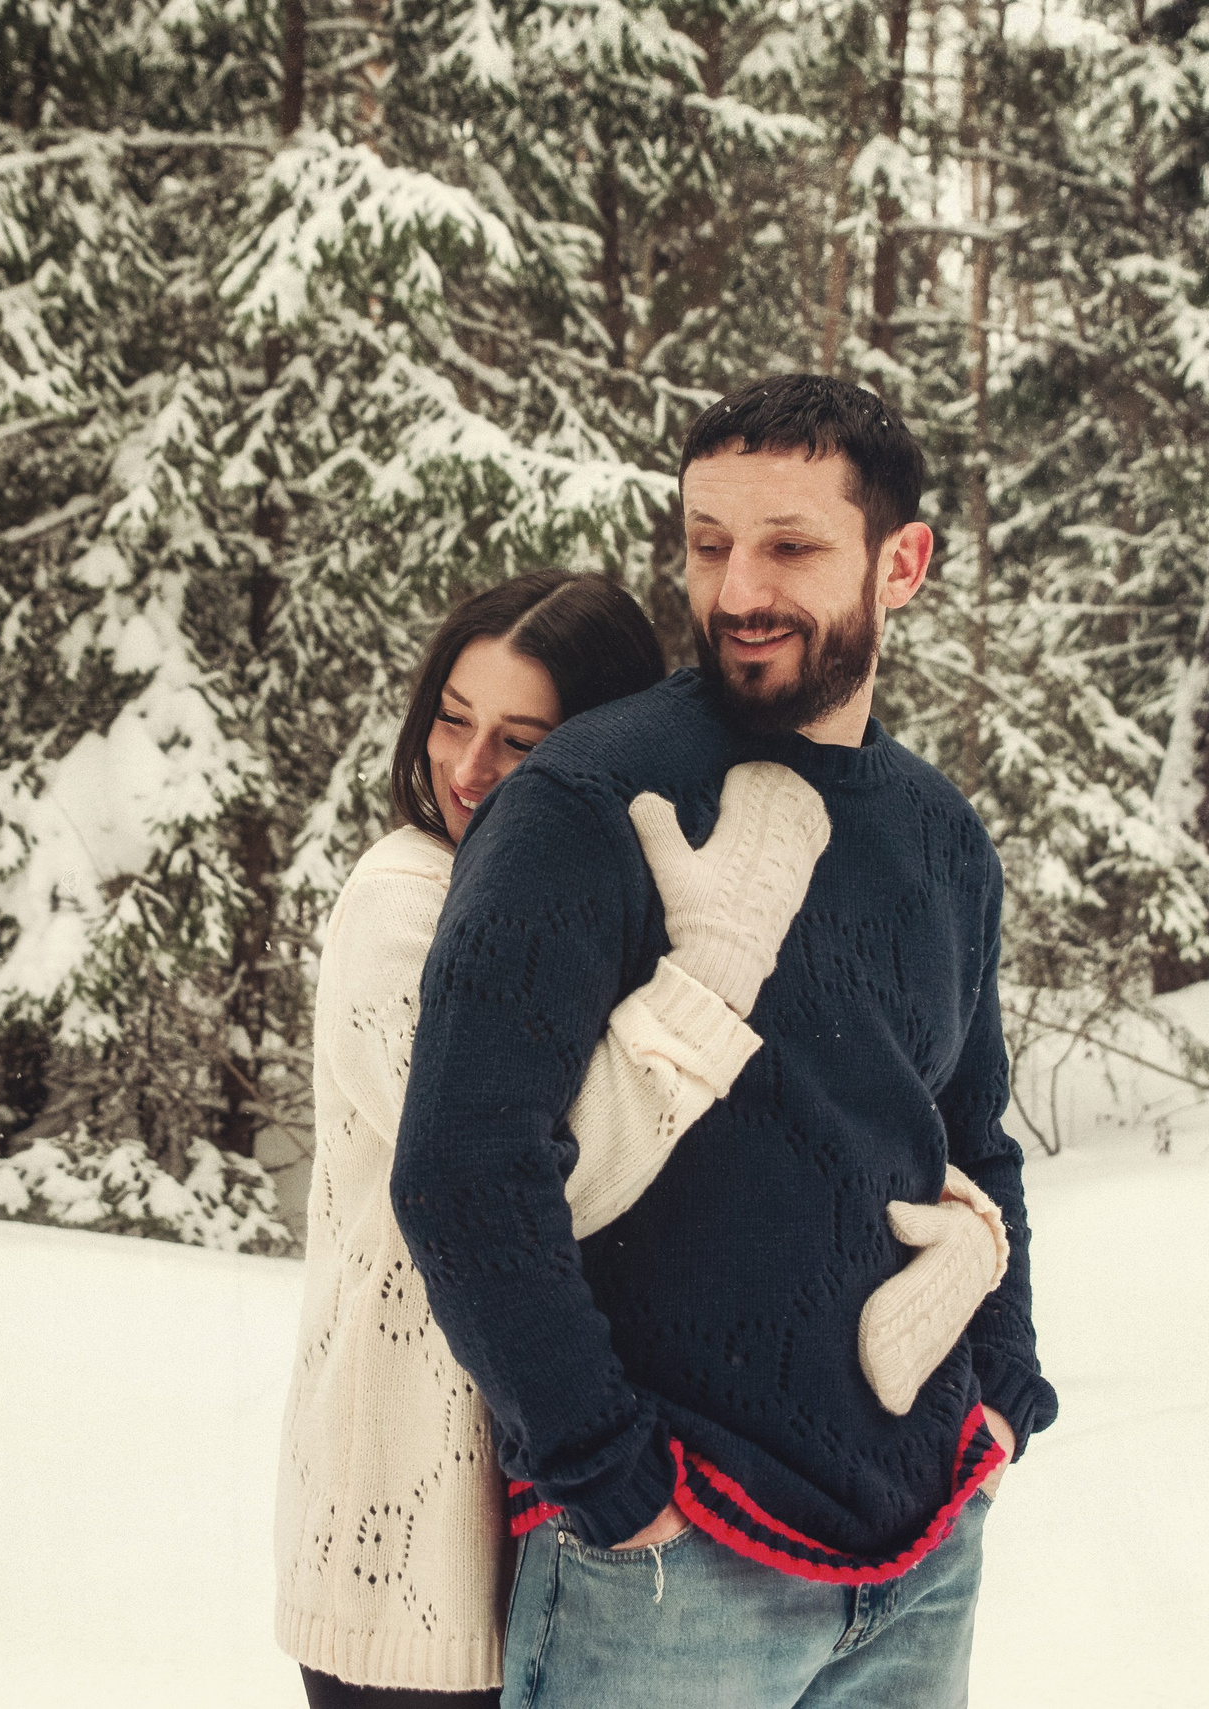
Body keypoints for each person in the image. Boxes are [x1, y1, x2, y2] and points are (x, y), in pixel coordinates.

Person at [389, 376, 1056, 1709]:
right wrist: (600, 1466)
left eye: (791, 546)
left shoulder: (940, 835)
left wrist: (1005, 1386)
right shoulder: (584, 797)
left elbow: (972, 1135)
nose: (738, 587)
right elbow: (464, 1164)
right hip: (675, 1566)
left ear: (902, 562)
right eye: (708, 543)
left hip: (923, 1548)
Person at [280, 569, 985, 1706]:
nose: (468, 770)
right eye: (452, 719)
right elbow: (518, 1181)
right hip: (420, 1539)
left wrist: (970, 1239)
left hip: (584, 1533)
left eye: (521, 739)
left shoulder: (595, 896)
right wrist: (710, 973)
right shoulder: (403, 901)